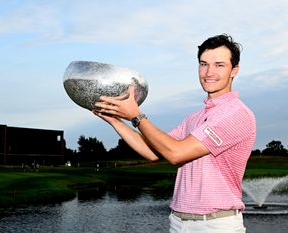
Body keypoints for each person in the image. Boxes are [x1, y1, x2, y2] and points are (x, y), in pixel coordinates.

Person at [93, 34, 256, 233]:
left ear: (234, 71)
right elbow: (153, 151)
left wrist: (136, 116)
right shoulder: (195, 118)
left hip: (215, 225)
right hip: (179, 222)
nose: (209, 72)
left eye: (219, 65)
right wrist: (115, 120)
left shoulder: (236, 114)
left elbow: (175, 153)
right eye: (203, 64)